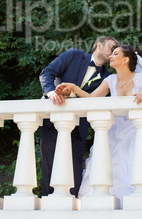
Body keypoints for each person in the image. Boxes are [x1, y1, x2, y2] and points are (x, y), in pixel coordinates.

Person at [56, 44, 142, 209]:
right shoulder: (110, 80)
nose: (110, 56)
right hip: (115, 132)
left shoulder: (141, 78)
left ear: (125, 59)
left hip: (138, 130)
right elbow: (92, 98)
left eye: (115, 54)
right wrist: (75, 89)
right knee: (111, 169)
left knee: (138, 166)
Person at [39, 35, 118, 197]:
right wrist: (51, 92)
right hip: (52, 119)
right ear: (99, 46)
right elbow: (47, 72)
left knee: (75, 167)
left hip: (79, 125)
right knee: (49, 164)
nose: (113, 52)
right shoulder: (73, 55)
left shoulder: (107, 78)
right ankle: (47, 204)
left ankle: (73, 205)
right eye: (112, 47)